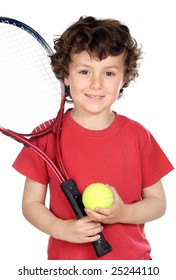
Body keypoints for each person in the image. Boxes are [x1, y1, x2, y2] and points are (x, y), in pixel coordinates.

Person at [13, 16, 174, 260]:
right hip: (68, 266)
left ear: (125, 78)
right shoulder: (46, 135)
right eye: (85, 71)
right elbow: (31, 205)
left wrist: (123, 213)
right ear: (66, 75)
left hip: (131, 264)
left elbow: (157, 203)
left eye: (109, 73)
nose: (96, 84)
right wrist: (61, 229)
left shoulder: (138, 136)